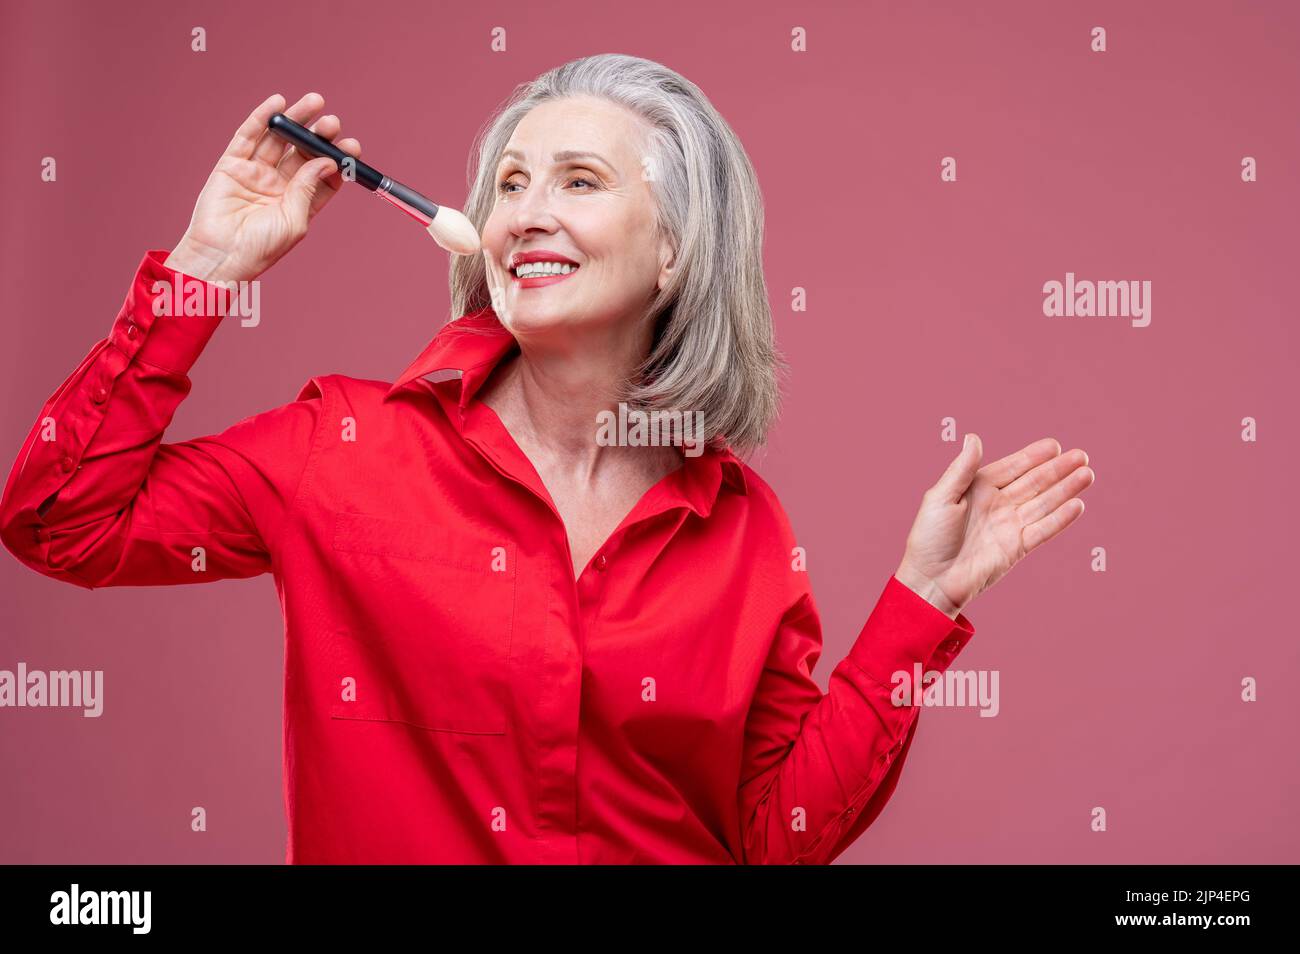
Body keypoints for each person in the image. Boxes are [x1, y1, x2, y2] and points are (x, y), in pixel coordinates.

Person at [0, 53, 1094, 864]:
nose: (526, 212)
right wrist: (205, 268)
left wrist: (924, 601)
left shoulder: (742, 527)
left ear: (673, 248)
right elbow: (58, 517)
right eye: (510, 183)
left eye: (578, 181)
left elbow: (774, 838)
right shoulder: (340, 446)